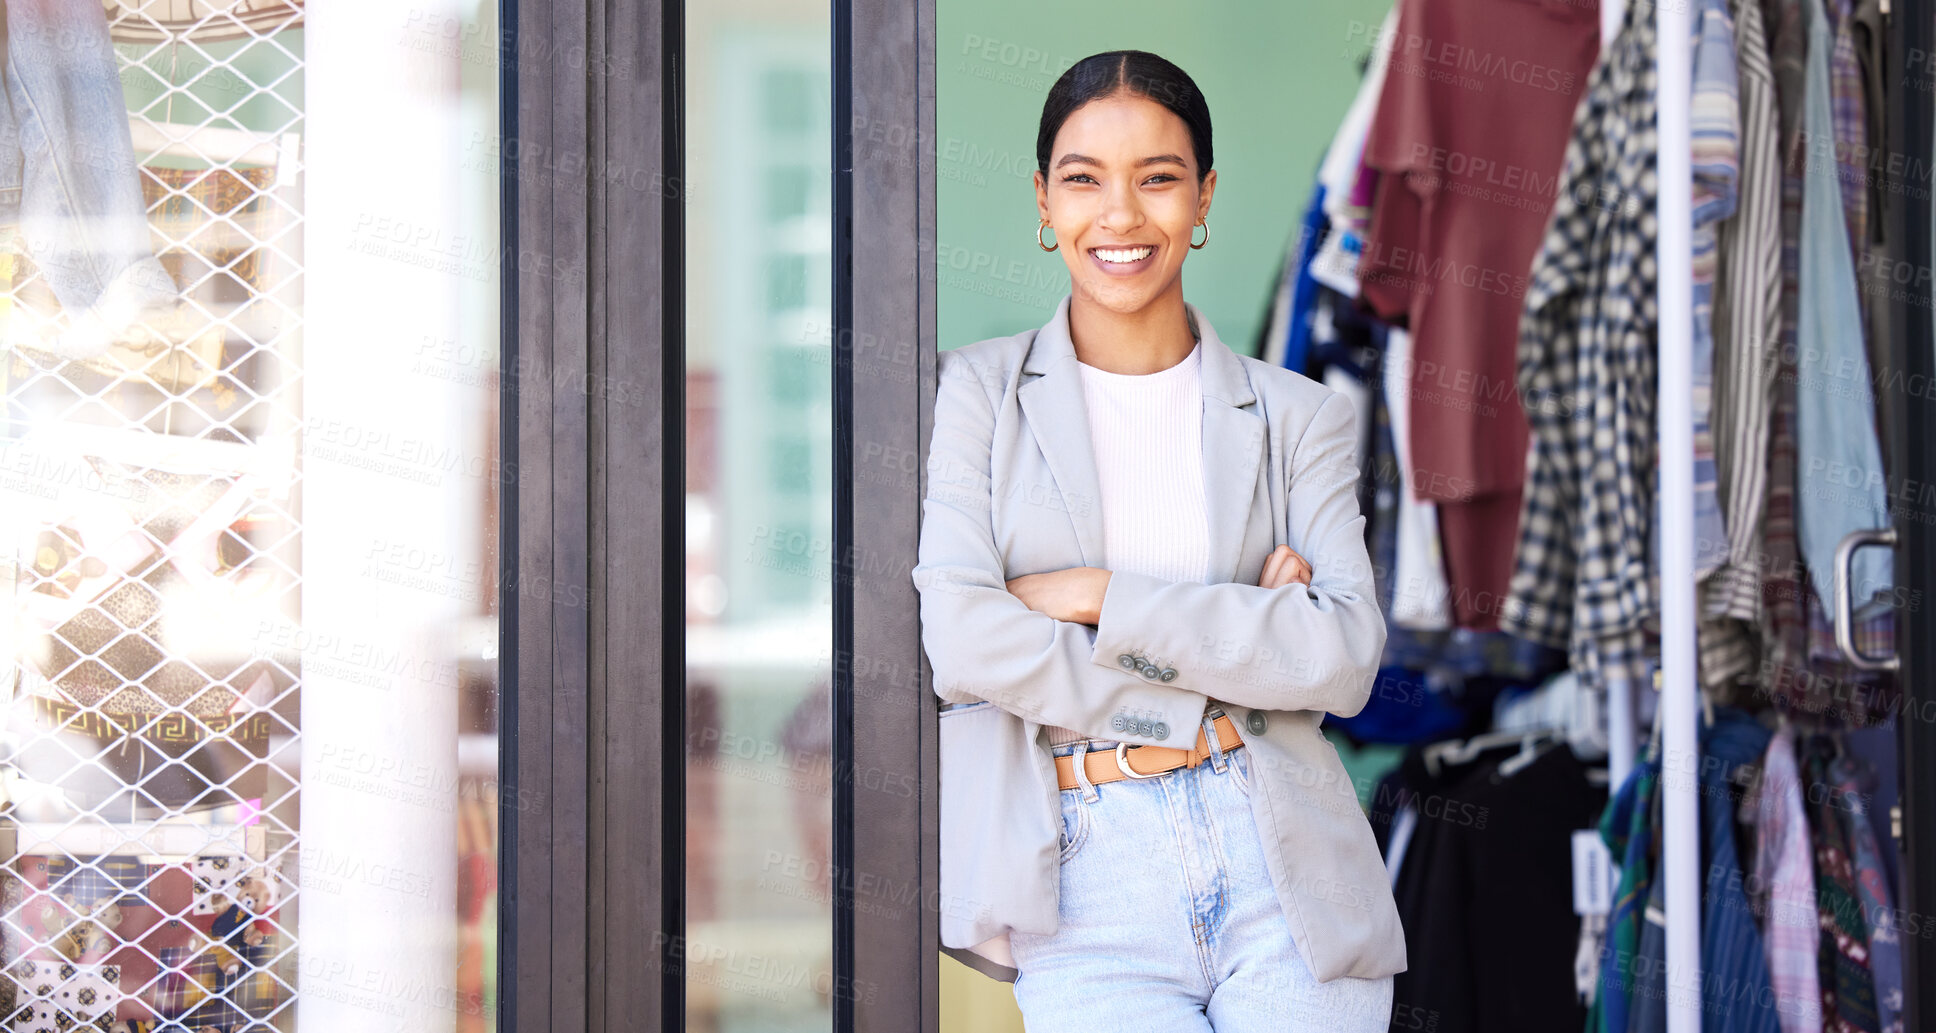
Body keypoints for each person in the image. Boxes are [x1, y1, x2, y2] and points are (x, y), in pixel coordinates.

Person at [912, 51, 1405, 1032]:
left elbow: (1343, 657)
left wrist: (1101, 593)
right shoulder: (971, 392)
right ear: (1044, 202)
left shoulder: (1296, 416)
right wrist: (1241, 648)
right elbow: (964, 639)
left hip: (1287, 868)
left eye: (1159, 178)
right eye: (1084, 178)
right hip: (1084, 872)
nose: (1121, 215)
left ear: (1204, 196)